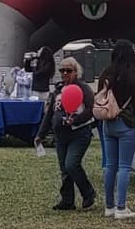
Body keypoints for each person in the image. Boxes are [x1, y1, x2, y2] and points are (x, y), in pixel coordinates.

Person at [37, 56, 96, 211]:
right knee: (64, 168)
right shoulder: (57, 89)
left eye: (68, 70)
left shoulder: (83, 88)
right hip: (60, 135)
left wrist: (75, 120)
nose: (64, 73)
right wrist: (40, 134)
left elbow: (91, 110)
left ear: (76, 72)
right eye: (62, 70)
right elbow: (50, 113)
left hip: (79, 133)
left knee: (72, 164)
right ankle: (67, 200)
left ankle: (88, 193)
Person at [96, 39, 135, 220]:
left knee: (110, 165)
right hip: (126, 121)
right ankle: (121, 207)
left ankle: (109, 205)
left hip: (108, 122)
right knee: (124, 167)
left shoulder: (106, 73)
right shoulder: (132, 73)